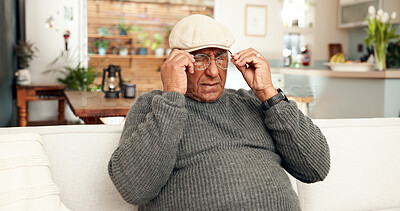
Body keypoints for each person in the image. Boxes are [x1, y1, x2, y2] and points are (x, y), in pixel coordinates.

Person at [108, 14, 330, 210]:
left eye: (220, 57)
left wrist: (268, 92)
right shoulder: (154, 105)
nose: (214, 71)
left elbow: (316, 168)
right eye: (200, 58)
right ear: (178, 61)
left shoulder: (253, 101)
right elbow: (134, 189)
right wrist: (173, 95)